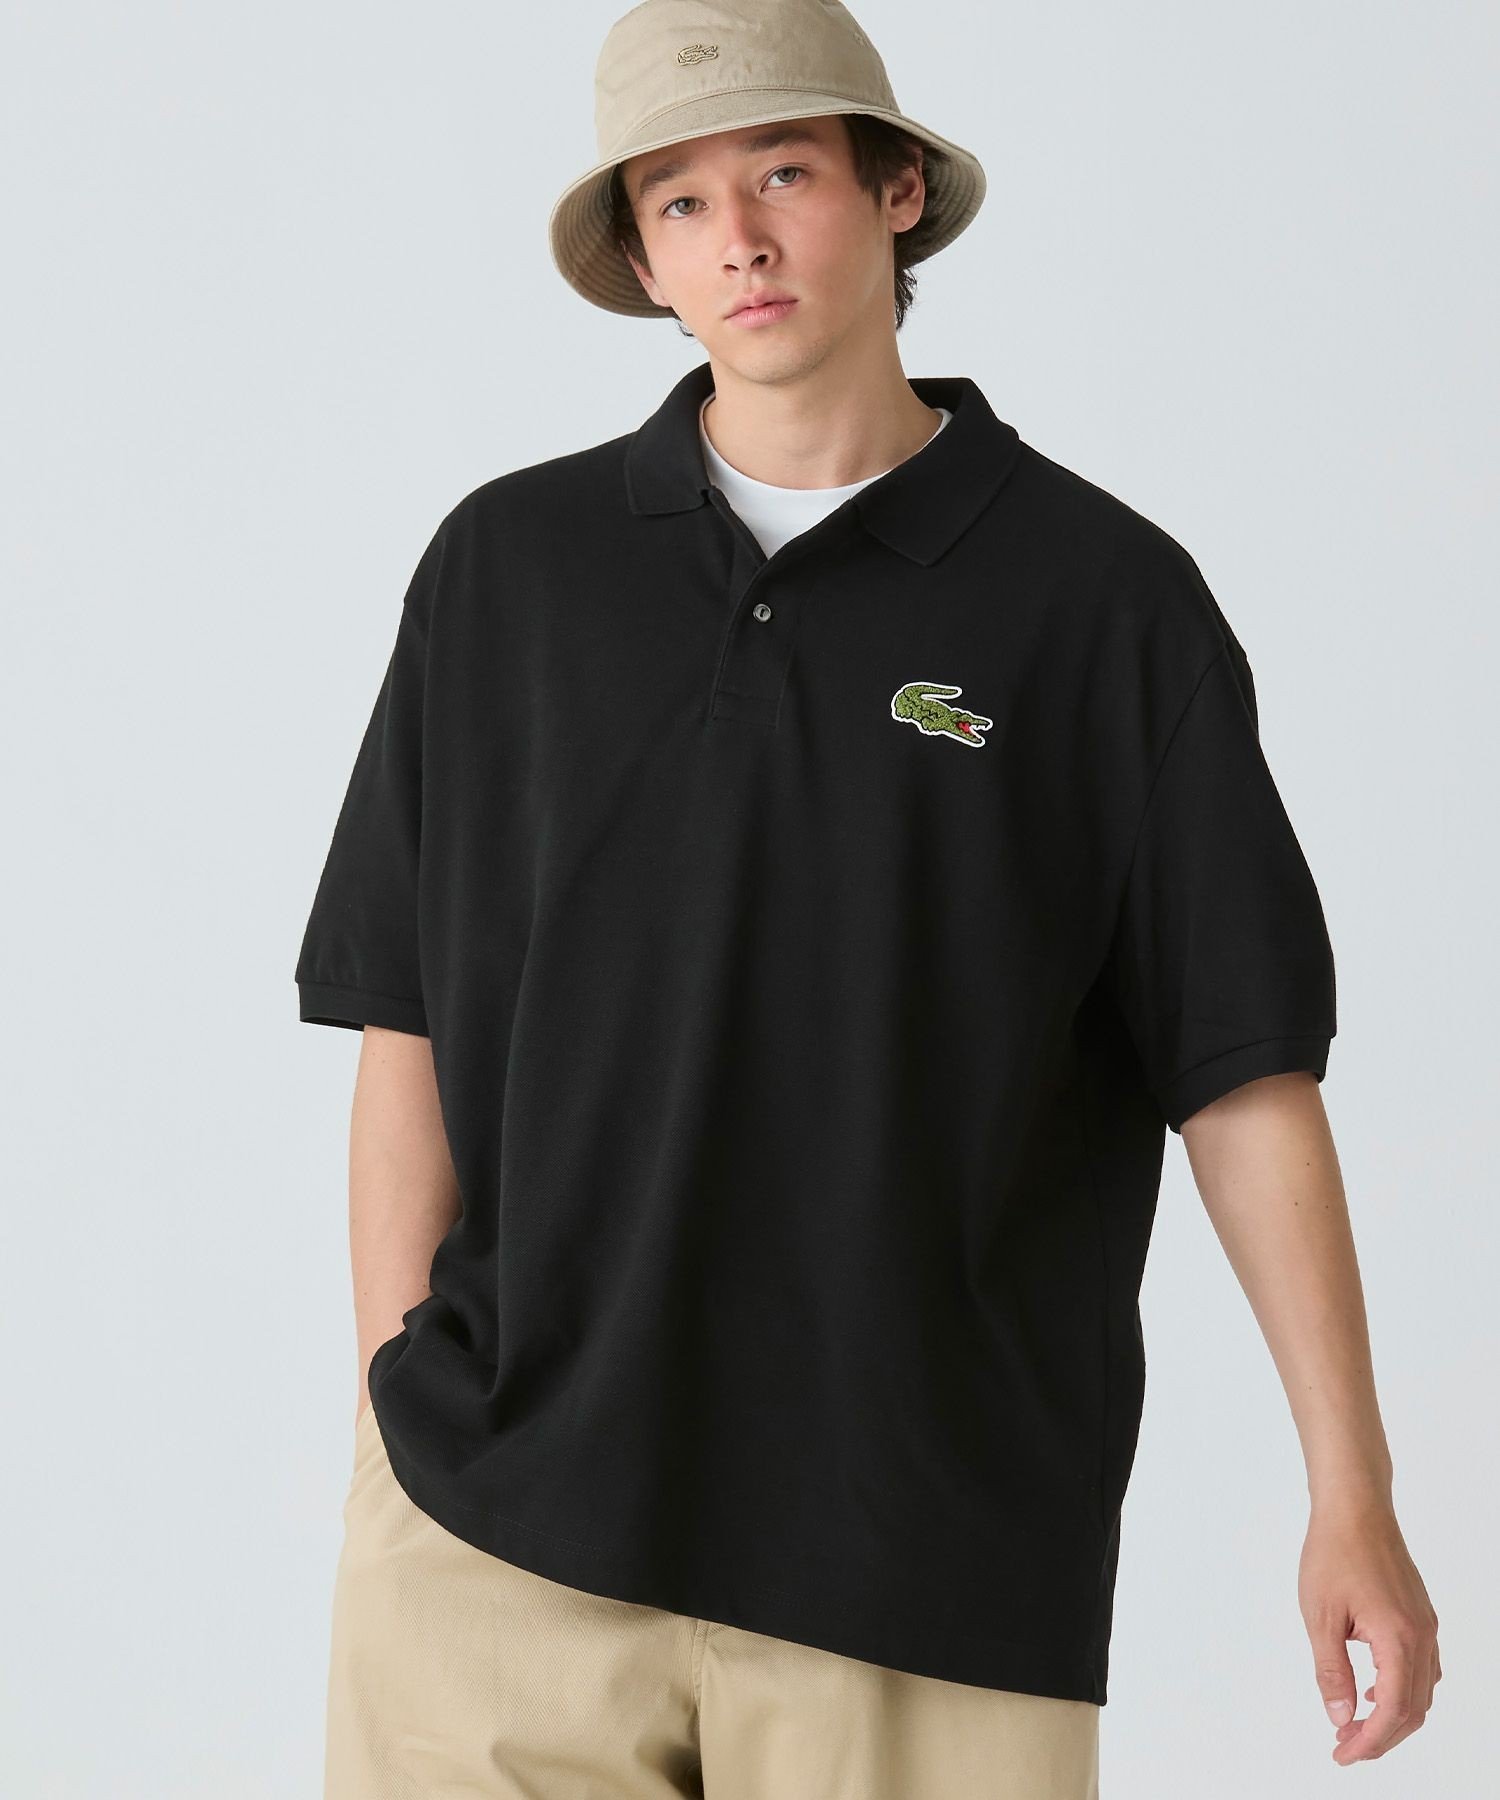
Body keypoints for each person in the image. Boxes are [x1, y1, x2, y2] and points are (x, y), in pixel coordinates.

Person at [295, 2, 1440, 1793]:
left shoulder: (1103, 604)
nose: (738, 239)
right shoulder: (505, 573)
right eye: (679, 202)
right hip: (497, 1545)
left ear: (896, 193)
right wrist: (398, 1406)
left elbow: (1241, 1073)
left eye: (783, 174)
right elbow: (406, 1023)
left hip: (925, 1568)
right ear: (644, 264)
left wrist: (1349, 1491)